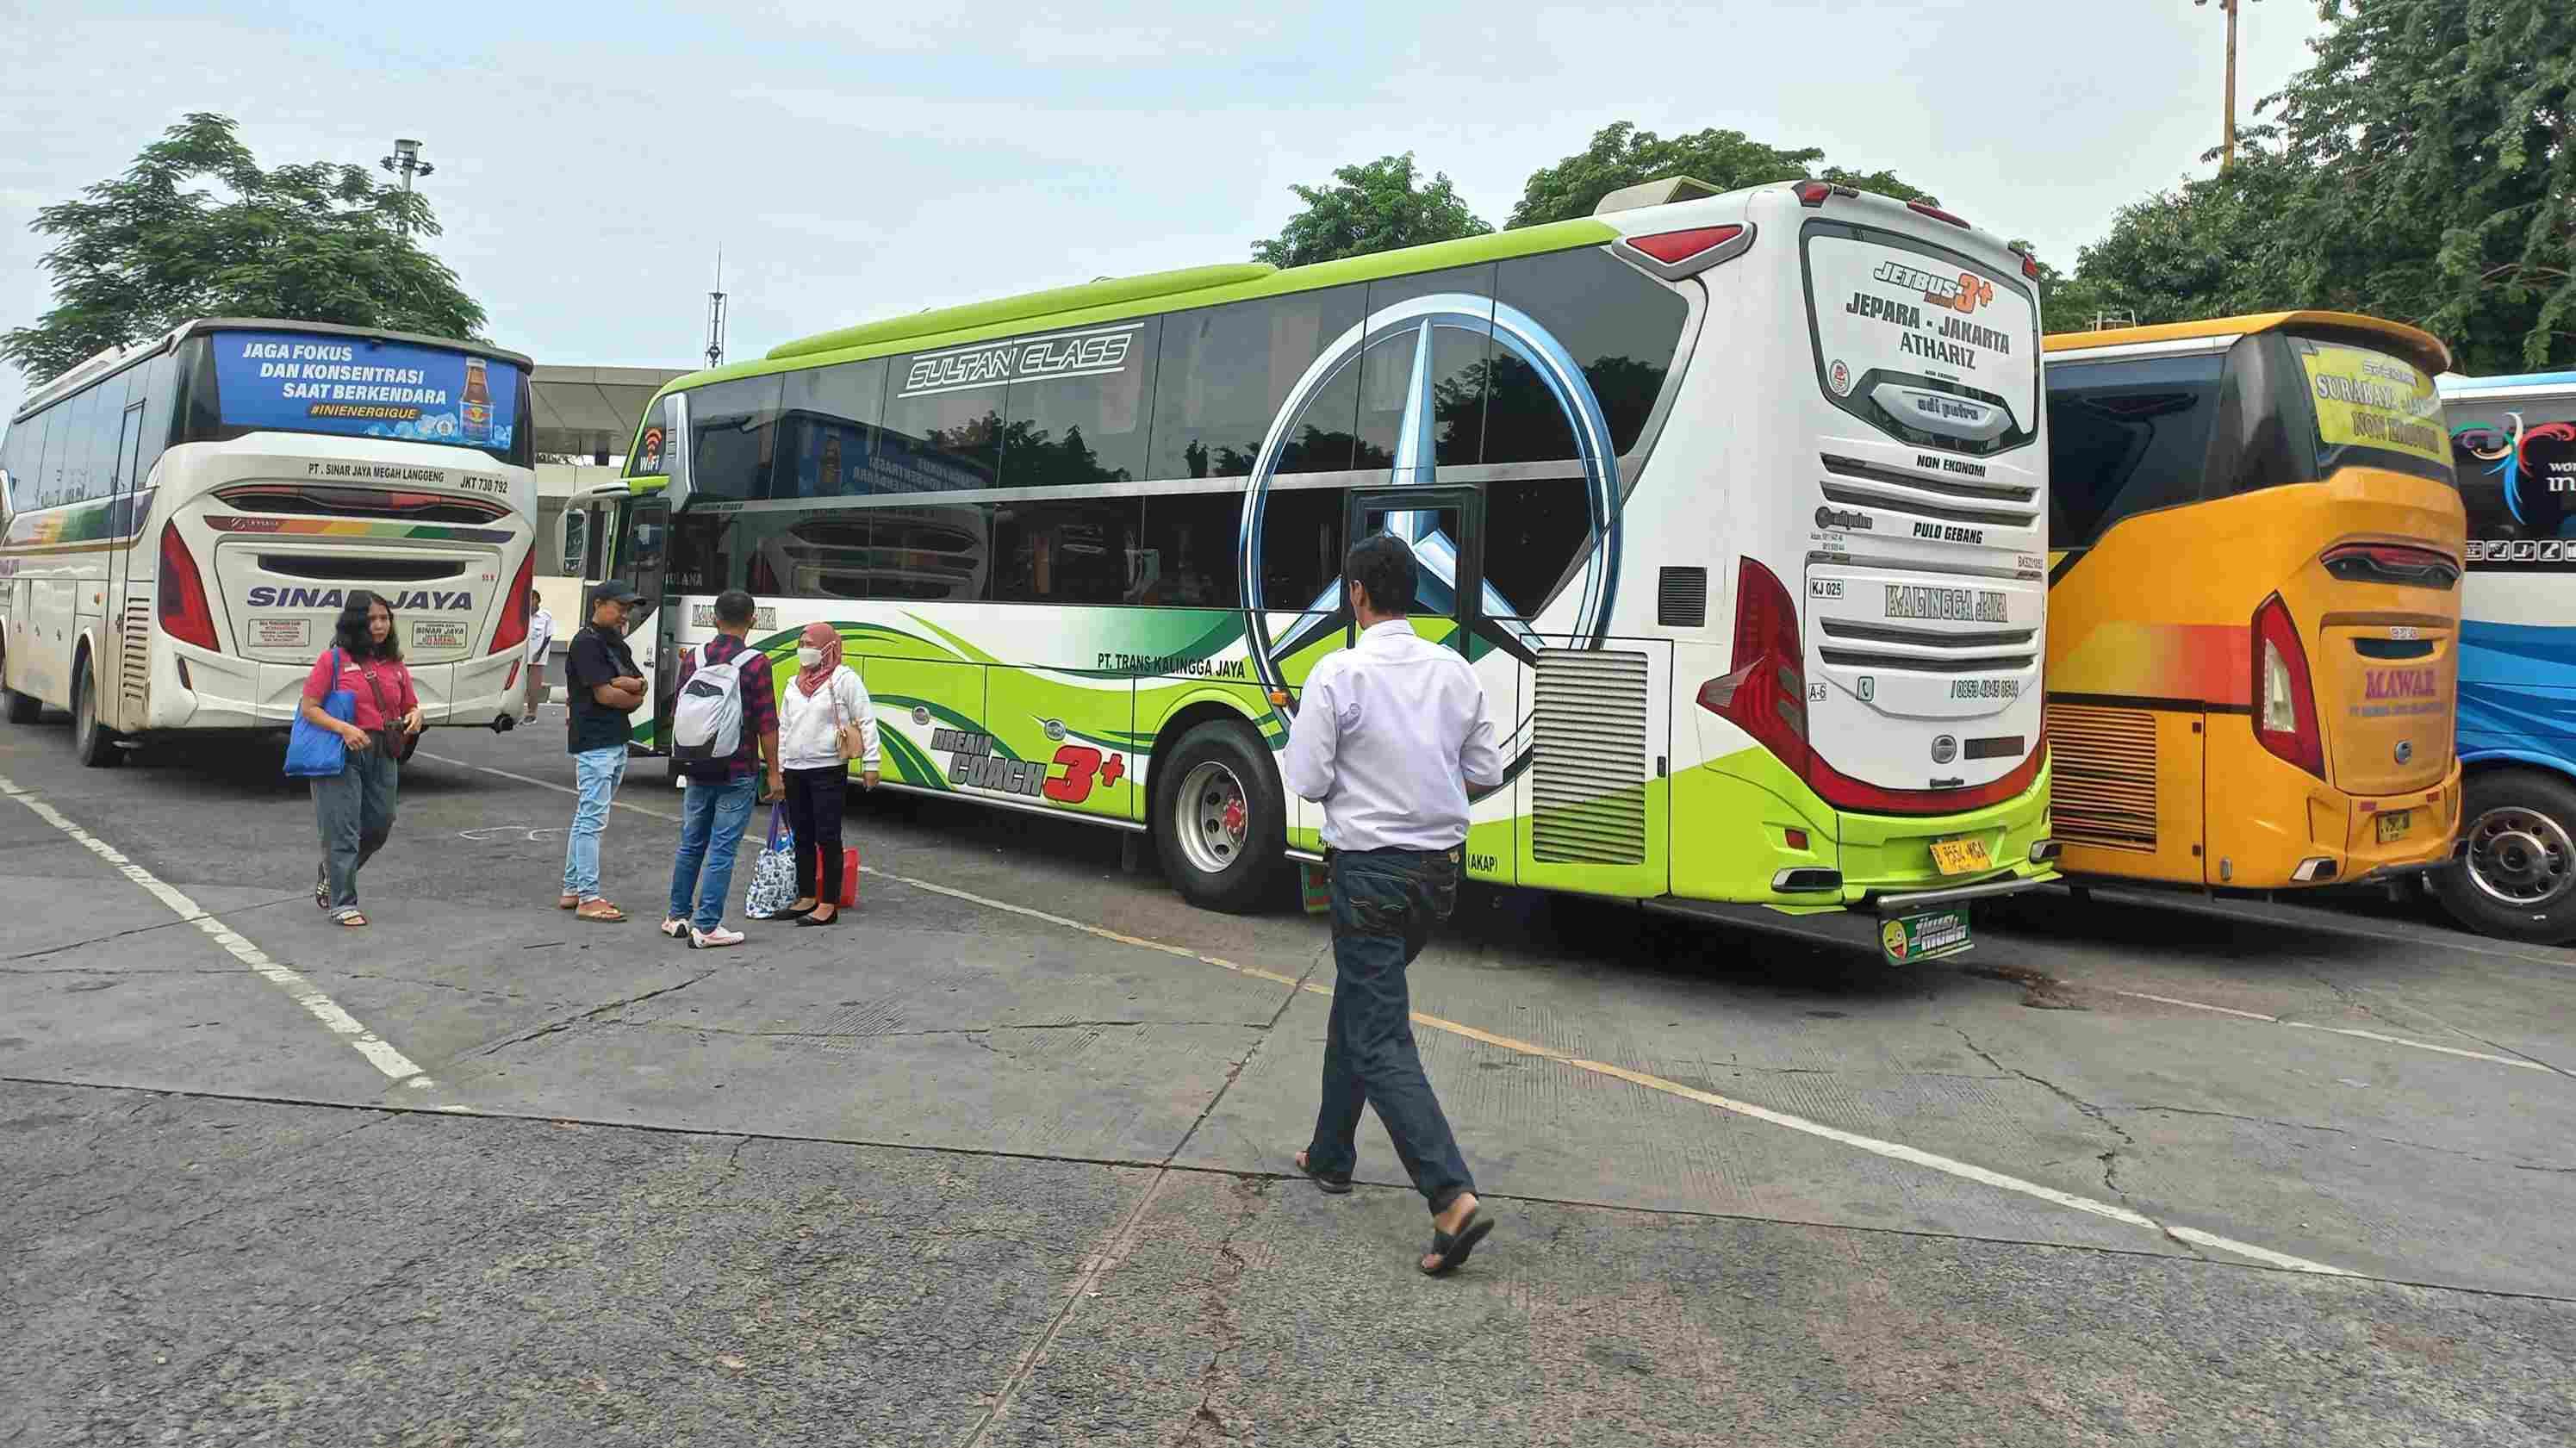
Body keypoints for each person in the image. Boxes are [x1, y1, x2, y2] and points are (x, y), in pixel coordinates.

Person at [1281, 532, 1505, 1277]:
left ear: (1356, 593)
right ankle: (1331, 1153)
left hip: (1368, 877)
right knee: (1361, 1002)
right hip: (1437, 879)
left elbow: (1308, 780)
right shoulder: (1455, 671)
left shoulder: (1337, 672)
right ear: (1416, 592)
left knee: (1379, 1036)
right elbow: (1485, 768)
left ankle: (1450, 1198)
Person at [662, 588, 781, 948]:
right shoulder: (756, 662)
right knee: (723, 848)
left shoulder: (694, 657)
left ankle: (677, 916)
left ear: (714, 619)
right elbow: (767, 722)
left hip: (697, 763)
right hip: (738, 767)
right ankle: (708, 926)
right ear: (753, 621)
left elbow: (678, 712)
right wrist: (774, 772)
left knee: (691, 843)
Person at [302, 591, 422, 929]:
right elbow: (308, 707)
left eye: (385, 618)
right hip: (342, 751)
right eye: (372, 619)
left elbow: (410, 704)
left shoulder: (395, 664)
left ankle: (331, 870)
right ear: (357, 622)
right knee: (343, 829)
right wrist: (344, 729)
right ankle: (343, 903)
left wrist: (416, 714)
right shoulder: (334, 660)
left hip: (384, 750)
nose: (380, 625)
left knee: (380, 824)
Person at [775, 619, 880, 925]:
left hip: (827, 769)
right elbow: (785, 728)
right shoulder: (793, 684)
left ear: (828, 647)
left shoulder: (844, 679)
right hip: (796, 769)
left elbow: (866, 720)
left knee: (827, 835)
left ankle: (828, 902)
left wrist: (871, 763)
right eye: (802, 644)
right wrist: (781, 767)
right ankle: (806, 896)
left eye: (810, 645)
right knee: (802, 835)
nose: (804, 650)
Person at [560, 581, 646, 923]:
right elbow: (605, 696)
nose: (625, 613)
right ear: (598, 604)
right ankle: (588, 896)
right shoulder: (586, 643)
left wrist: (628, 686)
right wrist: (626, 689)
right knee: (592, 820)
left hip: (615, 739)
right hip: (595, 742)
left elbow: (640, 685)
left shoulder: (616, 644)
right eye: (619, 606)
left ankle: (572, 888)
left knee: (587, 817)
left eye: (628, 608)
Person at [522, 587, 555, 724]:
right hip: (522, 656)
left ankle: (532, 712)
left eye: (533, 598)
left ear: (538, 601)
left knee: (533, 686)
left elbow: (548, 636)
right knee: (519, 686)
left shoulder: (546, 616)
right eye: (528, 598)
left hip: (537, 657)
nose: (531, 601)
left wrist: (539, 653)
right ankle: (518, 712)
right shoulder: (522, 615)